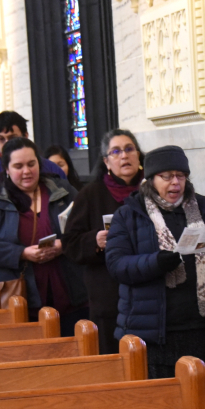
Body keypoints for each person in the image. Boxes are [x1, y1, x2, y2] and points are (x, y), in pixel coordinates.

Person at [105, 145, 205, 409]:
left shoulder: (202, 208)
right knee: (167, 408)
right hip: (157, 331)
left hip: (200, 327)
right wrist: (156, 262)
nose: (175, 183)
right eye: (167, 176)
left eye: (181, 176)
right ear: (150, 180)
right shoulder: (129, 214)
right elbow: (117, 265)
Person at [0, 138, 89, 335]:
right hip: (22, 298)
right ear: (7, 169)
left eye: (31, 164)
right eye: (18, 166)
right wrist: (22, 253)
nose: (26, 171)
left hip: (70, 292)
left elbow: (87, 228)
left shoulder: (62, 191)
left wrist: (63, 245)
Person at [63, 129, 144, 354]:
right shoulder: (90, 194)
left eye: (129, 149)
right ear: (107, 162)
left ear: (138, 155)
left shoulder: (152, 190)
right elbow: (70, 243)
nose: (124, 156)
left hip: (149, 290)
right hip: (108, 293)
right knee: (114, 356)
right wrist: (95, 241)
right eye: (116, 152)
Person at [0, 111, 67, 227]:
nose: (7, 144)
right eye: (1, 139)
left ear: (25, 136)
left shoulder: (51, 169)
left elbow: (66, 211)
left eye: (13, 138)